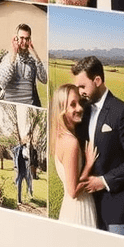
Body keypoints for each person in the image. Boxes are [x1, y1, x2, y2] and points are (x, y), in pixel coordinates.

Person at [71, 56, 124, 235]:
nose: (80, 91)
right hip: (89, 208)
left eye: (83, 86)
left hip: (117, 212)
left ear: (97, 80)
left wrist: (103, 181)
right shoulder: (83, 110)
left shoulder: (121, 112)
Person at [52, 84, 98, 227]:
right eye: (73, 105)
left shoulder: (58, 136)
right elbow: (73, 191)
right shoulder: (71, 143)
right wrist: (88, 165)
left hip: (69, 208)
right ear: (62, 109)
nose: (80, 108)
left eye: (79, 102)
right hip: (79, 209)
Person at [0, 23, 47, 106]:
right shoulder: (7, 58)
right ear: (16, 38)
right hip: (10, 104)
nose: (24, 42)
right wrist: (14, 53)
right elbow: (2, 83)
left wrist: (35, 55)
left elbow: (44, 79)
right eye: (22, 38)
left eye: (27, 39)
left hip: (29, 105)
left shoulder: (32, 61)